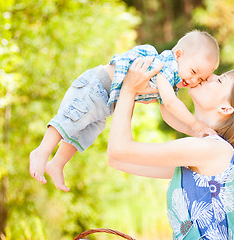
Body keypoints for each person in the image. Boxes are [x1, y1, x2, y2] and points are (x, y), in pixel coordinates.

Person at [29, 30, 219, 191]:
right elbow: (170, 103)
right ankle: (41, 151)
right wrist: (195, 124)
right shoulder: (166, 67)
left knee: (81, 133)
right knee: (70, 120)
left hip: (105, 103)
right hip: (95, 87)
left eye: (200, 79)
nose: (193, 81)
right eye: (194, 72)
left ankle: (57, 163)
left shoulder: (171, 81)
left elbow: (168, 114)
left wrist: (194, 132)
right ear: (178, 55)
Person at [107, 57, 234, 239]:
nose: (209, 76)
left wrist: (128, 90)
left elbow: (118, 150)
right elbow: (117, 159)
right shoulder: (198, 160)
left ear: (225, 108)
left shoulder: (211, 150)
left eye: (220, 80)